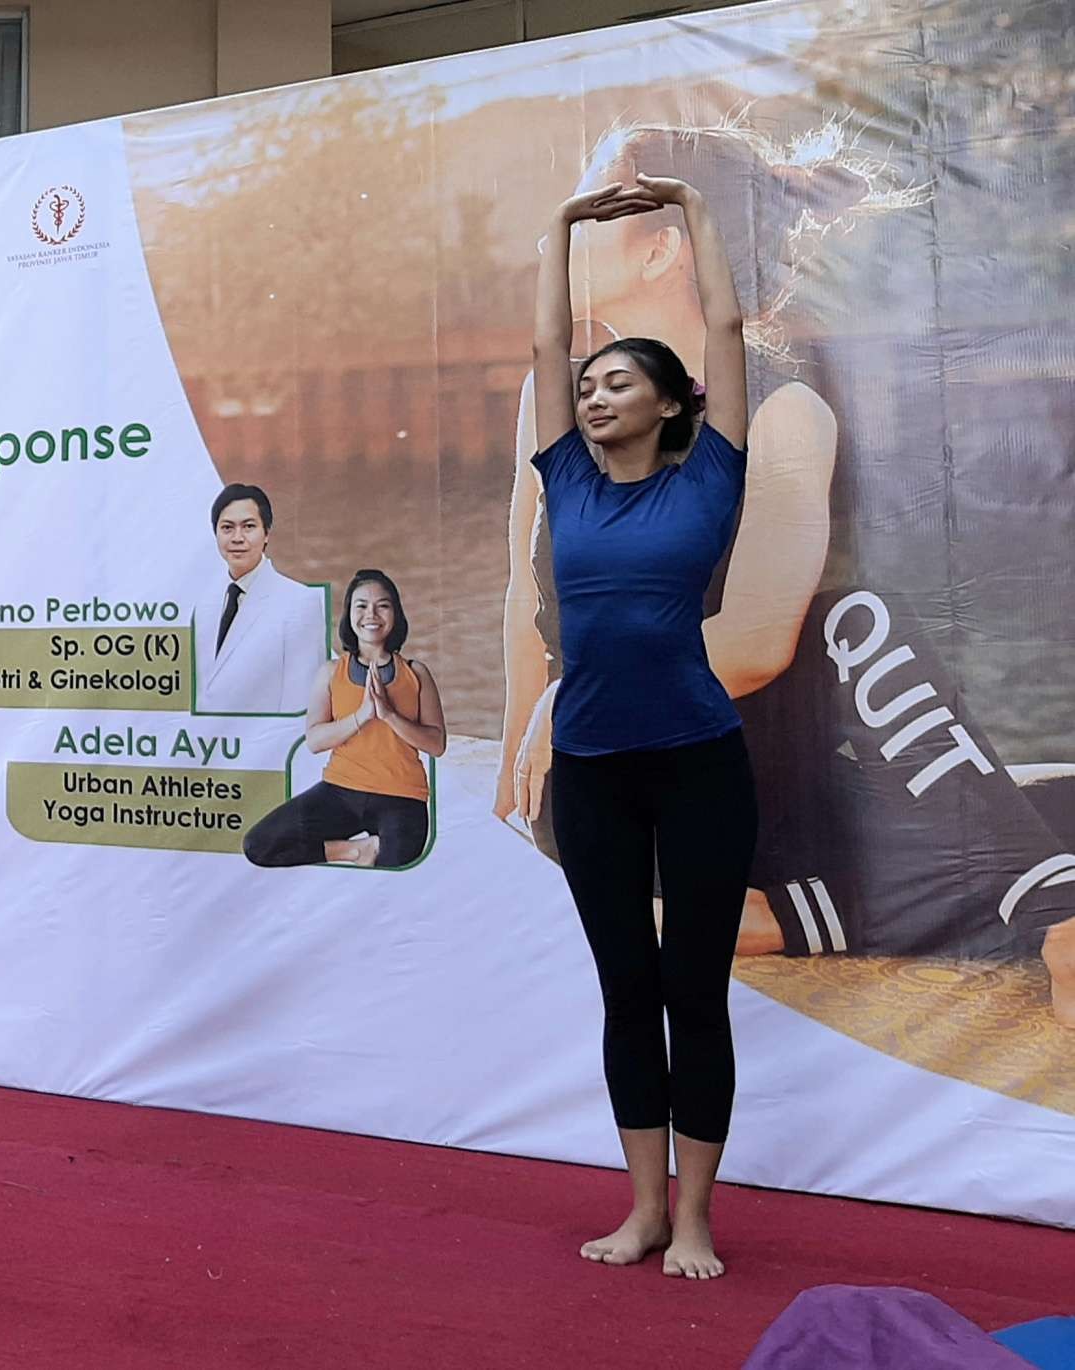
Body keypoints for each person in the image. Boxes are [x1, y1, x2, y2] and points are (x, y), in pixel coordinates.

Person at [498, 121, 1075, 1023]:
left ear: (660, 250)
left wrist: (570, 692)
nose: (557, 230)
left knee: (852, 620)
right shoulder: (556, 393)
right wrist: (516, 781)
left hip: (749, 780)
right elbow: (528, 596)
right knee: (968, 775)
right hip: (612, 777)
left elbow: (761, 645)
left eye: (591, 210)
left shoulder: (782, 406)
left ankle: (1007, 906)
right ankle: (1046, 900)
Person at [529, 171, 755, 1279]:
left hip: (698, 761)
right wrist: (566, 225)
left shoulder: (710, 475)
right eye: (587, 383)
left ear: (669, 401)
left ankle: (700, 1213)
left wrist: (689, 209)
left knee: (691, 989)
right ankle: (644, 1207)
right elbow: (541, 344)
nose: (593, 393)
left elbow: (722, 322)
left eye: (617, 380)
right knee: (626, 988)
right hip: (592, 766)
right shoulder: (566, 477)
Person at [243, 570, 445, 868]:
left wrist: (388, 715)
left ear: (395, 613)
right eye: (361, 606)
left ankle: (374, 852)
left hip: (401, 795)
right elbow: (315, 740)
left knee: (398, 863)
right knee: (259, 846)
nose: (371, 614)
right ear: (350, 613)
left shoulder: (416, 673)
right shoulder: (330, 672)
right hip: (340, 792)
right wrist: (362, 716)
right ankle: (354, 851)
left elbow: (436, 744)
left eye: (382, 605)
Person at [194, 482, 329, 714]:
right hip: (212, 745)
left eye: (248, 527)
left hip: (264, 746)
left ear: (266, 533)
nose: (237, 538)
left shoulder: (299, 602)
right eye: (227, 528)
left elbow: (302, 705)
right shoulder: (203, 605)